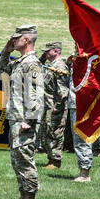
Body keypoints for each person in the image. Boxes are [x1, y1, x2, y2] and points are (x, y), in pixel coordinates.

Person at [0, 25, 44, 199]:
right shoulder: (20, 62)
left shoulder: (31, 63)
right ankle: (23, 196)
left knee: (24, 158)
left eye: (17, 38)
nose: (13, 40)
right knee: (17, 159)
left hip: (25, 120)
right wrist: (6, 51)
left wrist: (29, 120)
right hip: (17, 117)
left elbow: (35, 94)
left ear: (26, 40)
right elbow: (2, 68)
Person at [39, 41, 69, 169]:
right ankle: (51, 159)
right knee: (47, 131)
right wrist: (42, 59)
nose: (45, 53)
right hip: (47, 104)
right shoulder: (50, 64)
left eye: (48, 51)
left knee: (55, 132)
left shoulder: (60, 66)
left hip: (55, 105)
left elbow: (63, 89)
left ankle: (56, 161)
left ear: (56, 51)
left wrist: (58, 105)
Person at [67, 53, 93, 181]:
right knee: (77, 139)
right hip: (74, 104)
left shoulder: (87, 64)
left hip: (81, 105)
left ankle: (85, 172)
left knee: (81, 138)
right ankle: (83, 170)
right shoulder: (77, 63)